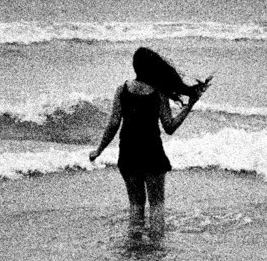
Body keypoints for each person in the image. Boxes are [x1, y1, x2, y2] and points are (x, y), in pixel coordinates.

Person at [89, 47, 211, 221]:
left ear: (135, 66)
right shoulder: (159, 93)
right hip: (152, 152)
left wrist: (99, 150)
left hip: (128, 153)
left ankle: (135, 243)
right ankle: (155, 245)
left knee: (136, 206)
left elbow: (113, 124)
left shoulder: (121, 90)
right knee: (156, 205)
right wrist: (190, 105)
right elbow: (169, 127)